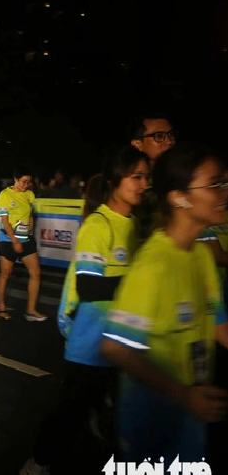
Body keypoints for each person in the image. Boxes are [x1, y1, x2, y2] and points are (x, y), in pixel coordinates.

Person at [20, 146, 150, 475]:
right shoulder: (99, 224)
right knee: (69, 413)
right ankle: (39, 462)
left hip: (124, 344)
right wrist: (142, 279)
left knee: (126, 417)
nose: (143, 184)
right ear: (114, 181)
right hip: (90, 346)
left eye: (146, 177)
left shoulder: (135, 225)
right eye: (136, 177)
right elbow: (90, 288)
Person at [100, 145, 228, 464]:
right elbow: (115, 348)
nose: (224, 192)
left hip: (191, 419)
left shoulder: (200, 256)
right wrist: (183, 395)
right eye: (215, 184)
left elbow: (218, 323)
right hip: (151, 425)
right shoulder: (153, 266)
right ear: (179, 197)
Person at [0, 166, 45, 321]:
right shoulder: (5, 195)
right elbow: (4, 220)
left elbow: (30, 215)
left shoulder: (29, 194)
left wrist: (30, 232)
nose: (26, 185)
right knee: (6, 274)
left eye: (28, 182)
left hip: (26, 239)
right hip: (8, 240)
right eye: (23, 181)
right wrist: (15, 240)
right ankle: (1, 307)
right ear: (15, 179)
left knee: (36, 273)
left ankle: (31, 310)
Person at [129, 113, 177, 240]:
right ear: (137, 144)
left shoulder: (180, 179)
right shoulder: (128, 185)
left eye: (171, 135)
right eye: (159, 136)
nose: (169, 141)